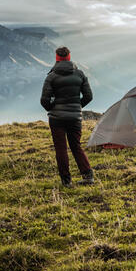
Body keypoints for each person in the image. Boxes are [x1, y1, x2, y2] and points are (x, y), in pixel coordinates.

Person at [40, 46, 95, 187]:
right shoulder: (80, 74)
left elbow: (44, 101)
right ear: (69, 57)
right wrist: (77, 107)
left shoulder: (51, 77)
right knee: (76, 146)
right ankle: (88, 175)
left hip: (57, 118)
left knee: (61, 149)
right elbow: (89, 96)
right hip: (75, 117)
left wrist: (53, 108)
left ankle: (66, 181)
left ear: (56, 58)